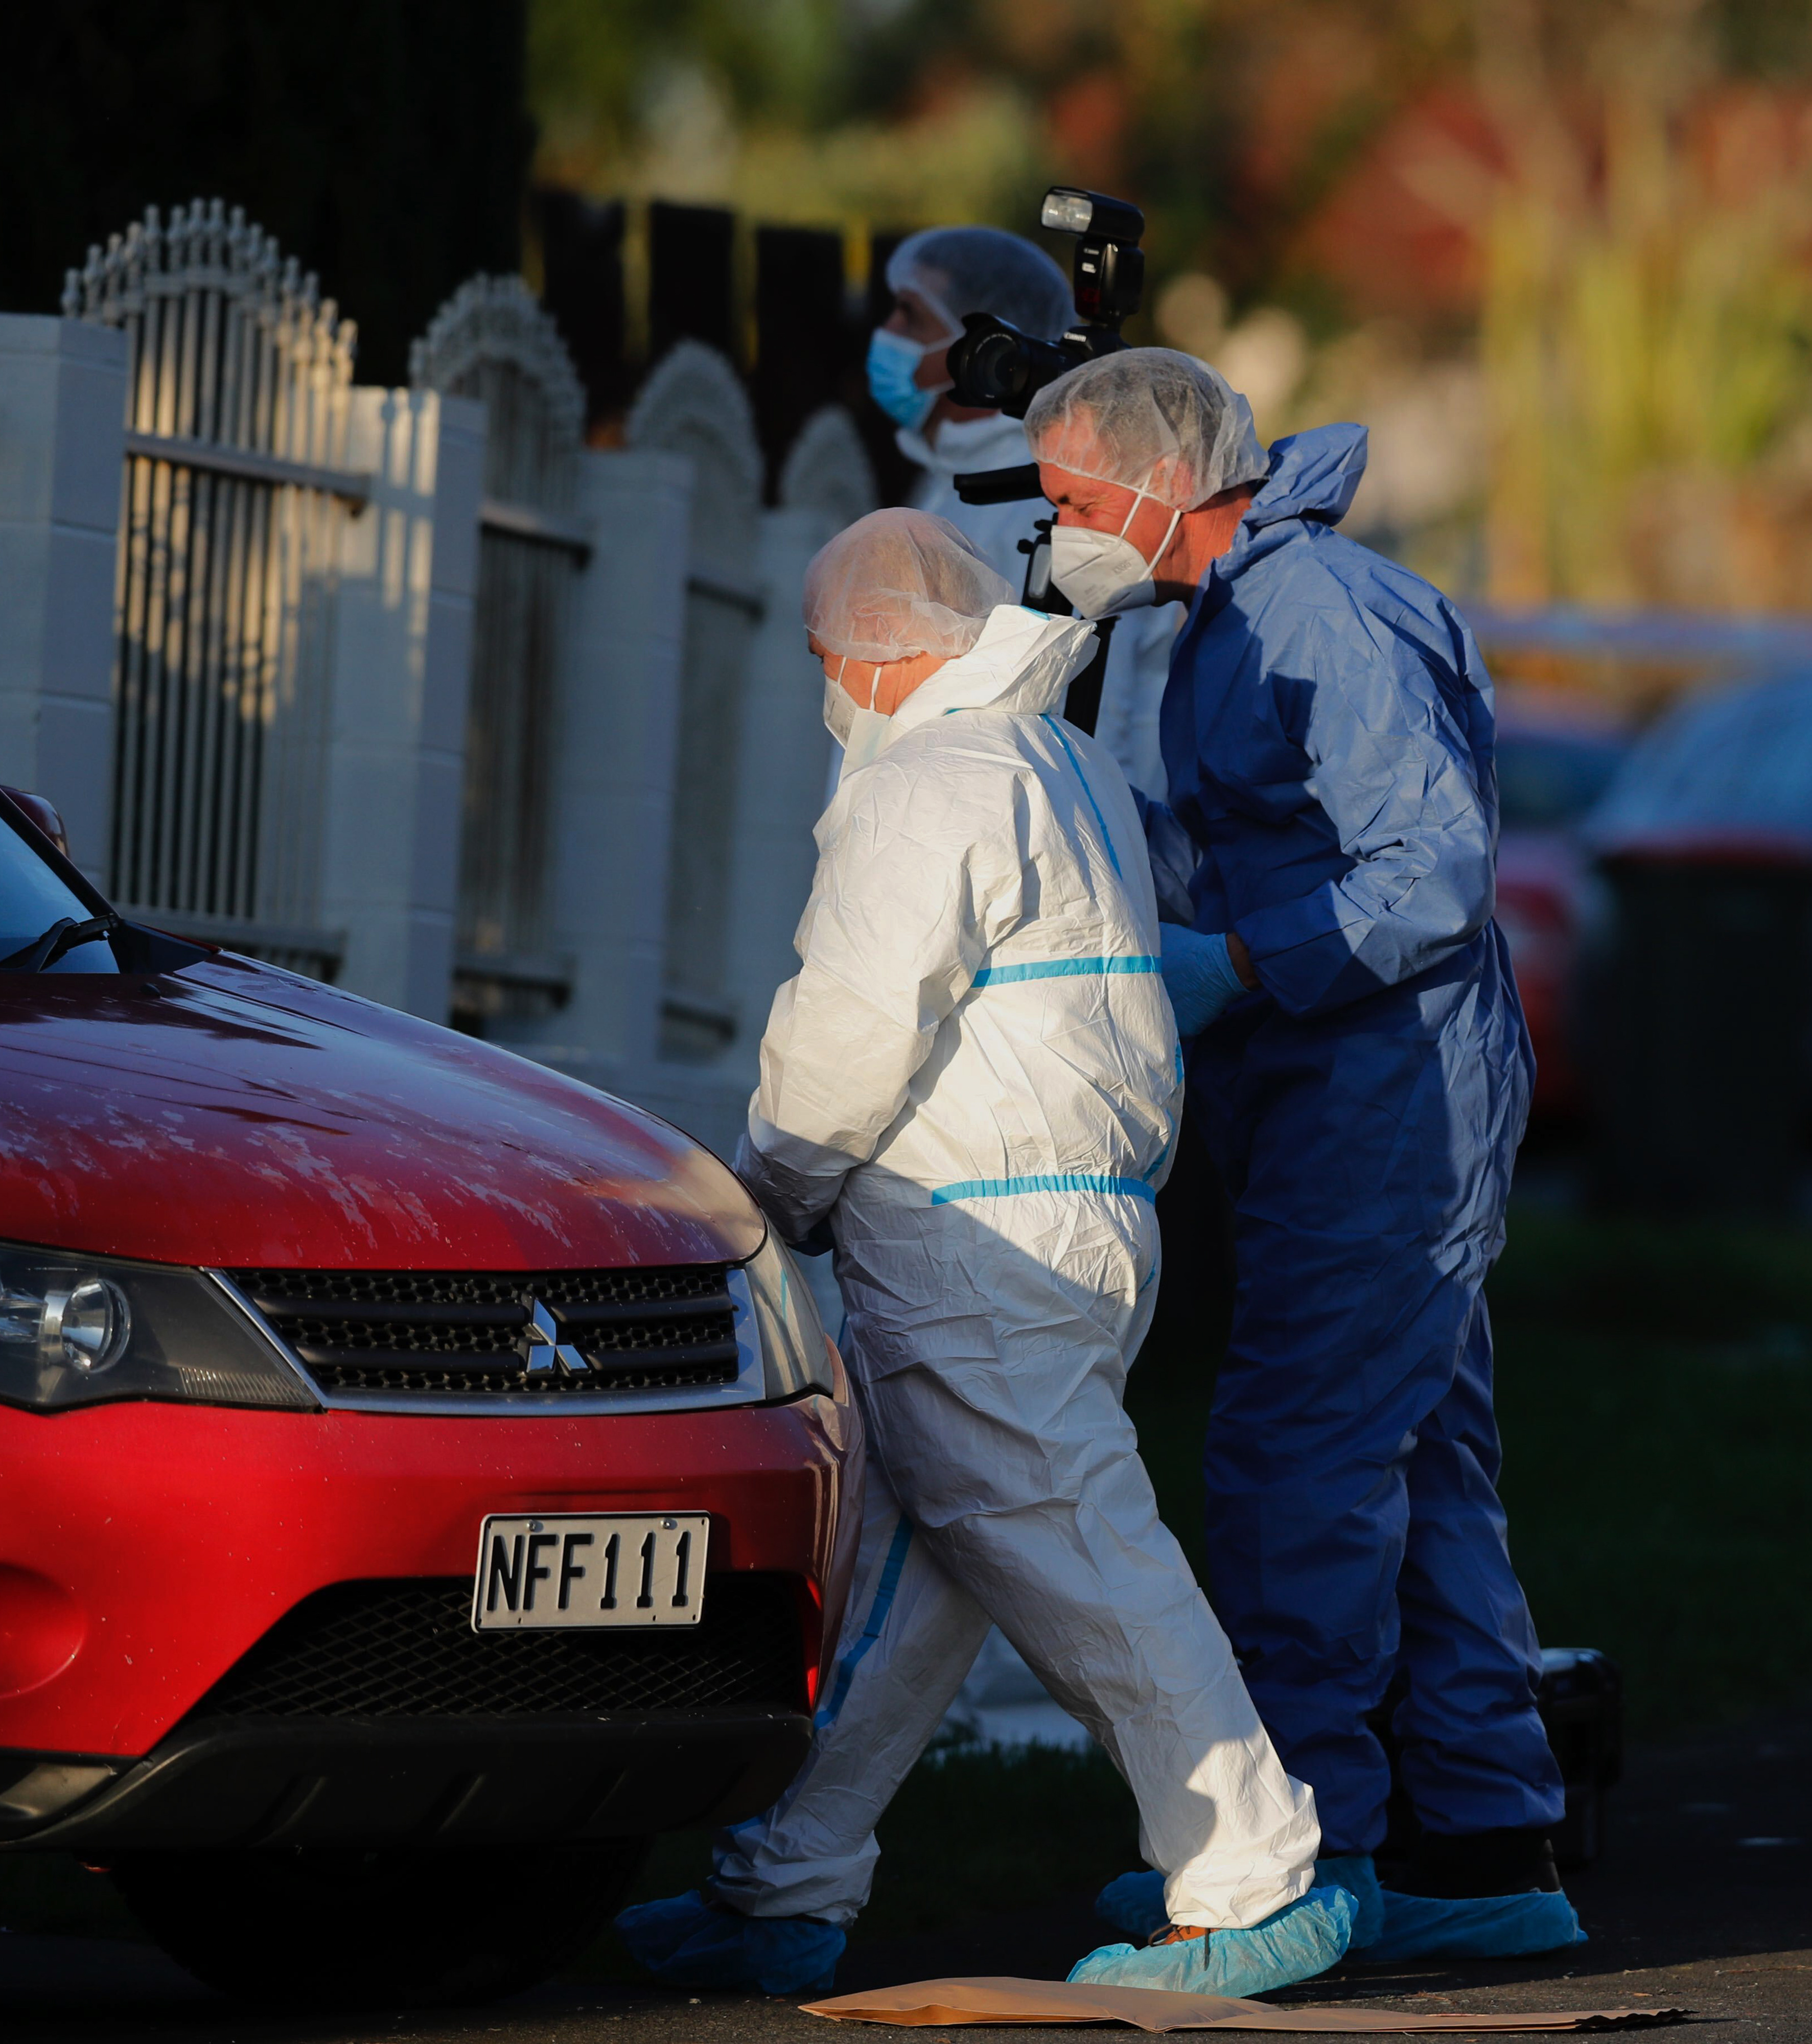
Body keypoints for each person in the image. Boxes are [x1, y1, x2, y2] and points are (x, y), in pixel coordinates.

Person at [614, 508, 1352, 1999]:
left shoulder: (926, 784)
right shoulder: (1061, 762)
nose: (827, 688)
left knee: (1076, 1549)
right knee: (908, 1575)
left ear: (872, 655)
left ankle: (1252, 1874)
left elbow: (847, 1030)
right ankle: (782, 1884)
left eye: (828, 659)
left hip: (974, 1241)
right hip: (1063, 1221)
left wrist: (771, 1187)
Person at [1023, 349, 1585, 1965]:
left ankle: (1299, 1857)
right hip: (1344, 1090)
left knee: (1297, 1462)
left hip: (1384, 1095)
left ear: (1155, 481)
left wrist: (1242, 965)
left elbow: (1432, 871)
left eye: (1069, 502)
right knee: (1414, 1460)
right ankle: (1481, 1844)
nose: (1060, 533)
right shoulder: (1232, 621)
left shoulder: (1314, 612)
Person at [867, 225, 1176, 795]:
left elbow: (1097, 718)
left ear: (982, 342)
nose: (887, 333)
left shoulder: (1051, 498)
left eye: (911, 317)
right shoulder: (950, 485)